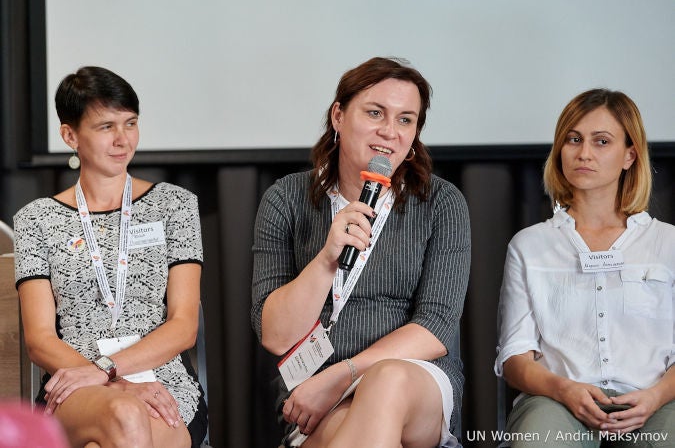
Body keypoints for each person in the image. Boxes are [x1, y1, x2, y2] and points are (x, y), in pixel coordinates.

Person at [251, 57, 470, 447]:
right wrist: (325, 260)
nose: (389, 132)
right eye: (375, 113)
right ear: (338, 115)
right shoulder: (285, 199)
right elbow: (277, 335)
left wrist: (343, 375)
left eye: (406, 119)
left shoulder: (441, 202)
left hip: (415, 379)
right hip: (313, 392)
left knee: (387, 379)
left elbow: (436, 326)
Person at [14, 66, 207, 448]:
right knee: (123, 413)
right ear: (70, 135)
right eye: (106, 127)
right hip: (73, 383)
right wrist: (107, 380)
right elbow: (38, 339)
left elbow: (184, 325)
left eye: (130, 123)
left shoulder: (175, 206)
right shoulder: (35, 219)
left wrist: (109, 371)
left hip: (161, 380)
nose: (123, 140)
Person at [494, 89, 675, 447]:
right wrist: (564, 389)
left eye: (601, 141)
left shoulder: (668, 243)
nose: (584, 153)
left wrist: (655, 397)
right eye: (573, 140)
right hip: (557, 400)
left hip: (658, 399)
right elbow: (515, 359)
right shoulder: (529, 245)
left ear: (629, 155)